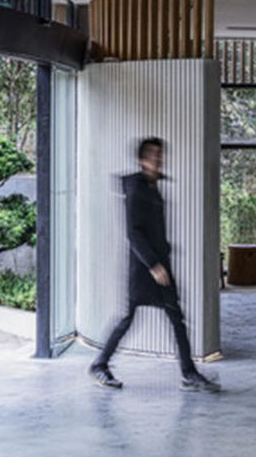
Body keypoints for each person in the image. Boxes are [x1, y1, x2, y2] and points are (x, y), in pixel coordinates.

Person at [89, 137, 220, 392]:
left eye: (159, 155)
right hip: (145, 269)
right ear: (141, 160)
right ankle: (100, 364)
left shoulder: (152, 186)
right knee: (129, 317)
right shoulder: (137, 189)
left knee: (176, 317)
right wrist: (153, 265)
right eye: (151, 155)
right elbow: (134, 233)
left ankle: (188, 373)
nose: (157, 159)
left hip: (160, 265)